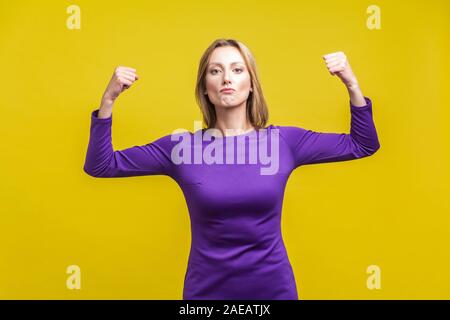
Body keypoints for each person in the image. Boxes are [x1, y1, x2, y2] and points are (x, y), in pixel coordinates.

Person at [83, 38, 380, 300]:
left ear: (251, 84)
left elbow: (362, 145)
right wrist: (107, 101)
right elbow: (101, 165)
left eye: (237, 70)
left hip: (273, 290)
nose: (226, 78)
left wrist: (351, 84)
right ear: (205, 87)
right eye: (216, 70)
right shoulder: (181, 148)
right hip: (206, 294)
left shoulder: (283, 142)